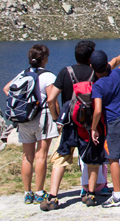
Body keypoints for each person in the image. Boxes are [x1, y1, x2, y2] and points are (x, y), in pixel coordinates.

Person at [41, 40, 101, 211]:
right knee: (92, 159)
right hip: (89, 125)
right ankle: (90, 194)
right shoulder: (95, 73)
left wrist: (56, 118)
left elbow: (51, 99)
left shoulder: (65, 72)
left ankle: (53, 196)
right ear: (91, 56)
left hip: (69, 123)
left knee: (61, 158)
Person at [3, 44, 58, 205]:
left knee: (27, 156)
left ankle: (27, 192)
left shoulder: (23, 74)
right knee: (41, 155)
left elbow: (7, 89)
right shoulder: (48, 76)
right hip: (42, 117)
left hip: (25, 118)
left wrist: (23, 105)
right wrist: (56, 119)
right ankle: (40, 192)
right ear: (45, 59)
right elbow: (51, 100)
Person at [90, 49, 120, 208]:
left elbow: (97, 110)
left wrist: (93, 128)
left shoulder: (97, 85)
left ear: (93, 68)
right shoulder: (115, 75)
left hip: (113, 121)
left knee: (113, 158)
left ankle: (117, 196)